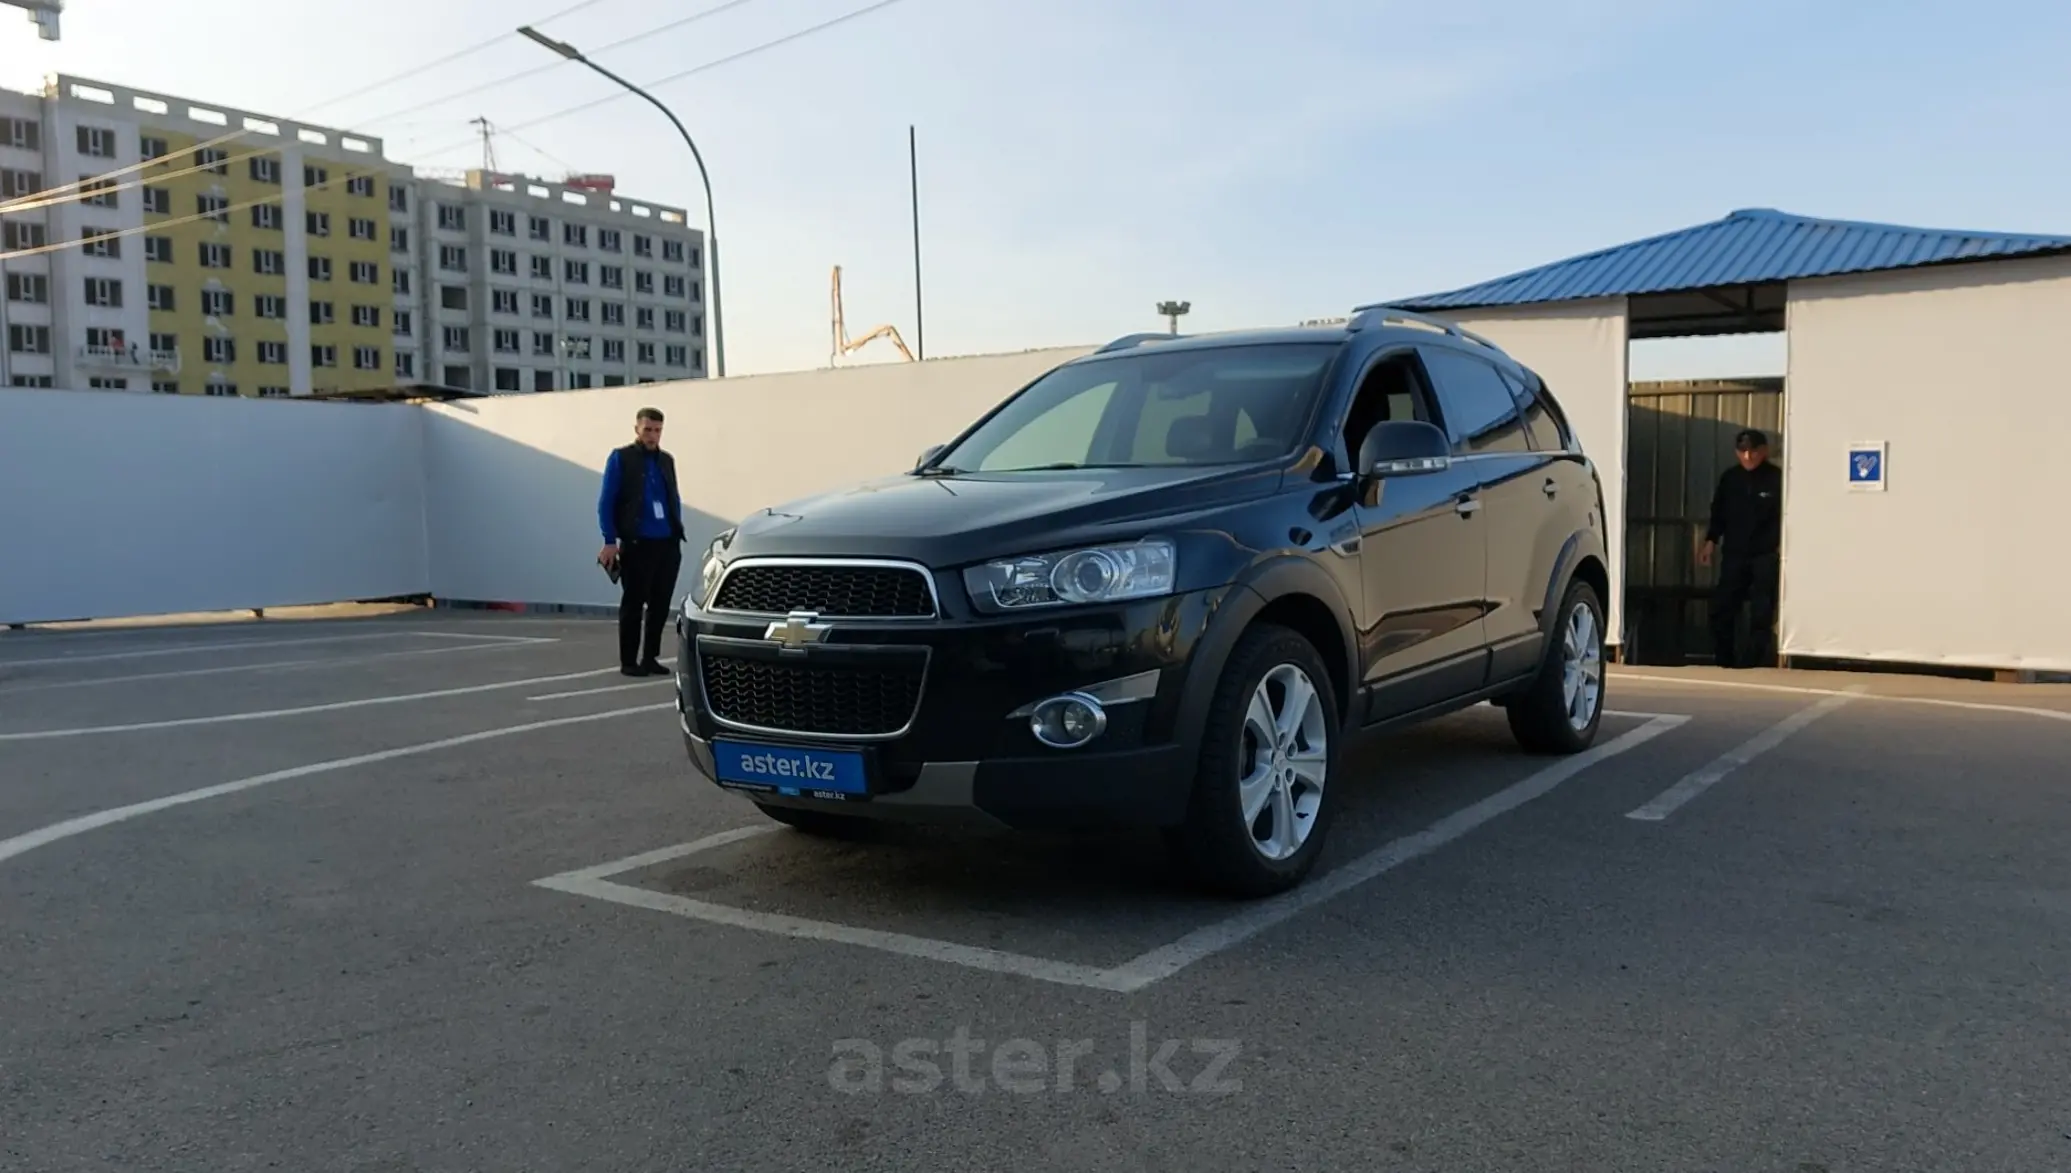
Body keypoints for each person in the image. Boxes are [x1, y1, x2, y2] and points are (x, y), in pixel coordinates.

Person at [597, 407, 686, 676]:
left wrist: (676, 531)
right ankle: (628, 661)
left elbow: (674, 498)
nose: (652, 435)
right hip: (637, 543)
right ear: (637, 429)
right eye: (647, 429)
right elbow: (606, 501)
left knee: (660, 605)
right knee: (633, 603)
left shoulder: (666, 460)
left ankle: (650, 657)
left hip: (667, 543)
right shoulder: (621, 458)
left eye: (657, 430)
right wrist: (609, 540)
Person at [1697, 427, 1783, 668]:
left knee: (1762, 611)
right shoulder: (1730, 478)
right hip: (1734, 553)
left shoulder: (1777, 479)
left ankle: (1752, 662)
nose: (1748, 457)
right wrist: (1710, 542)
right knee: (1723, 607)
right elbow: (1719, 513)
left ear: (1763, 451)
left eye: (1753, 451)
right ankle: (1724, 659)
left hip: (1765, 554)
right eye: (1742, 451)